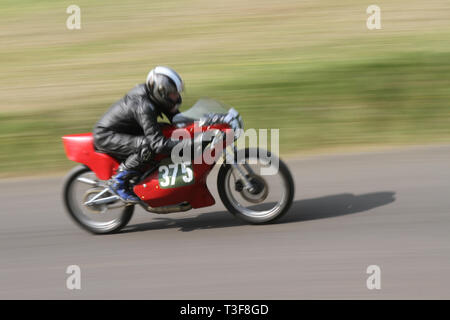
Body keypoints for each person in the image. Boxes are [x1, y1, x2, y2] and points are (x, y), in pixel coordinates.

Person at [93, 66, 191, 203]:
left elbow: (178, 120)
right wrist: (189, 144)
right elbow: (158, 145)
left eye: (176, 93)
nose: (176, 97)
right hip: (107, 135)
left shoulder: (157, 98)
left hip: (128, 131)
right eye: (172, 93)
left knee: (166, 129)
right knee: (148, 146)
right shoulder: (144, 106)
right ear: (160, 92)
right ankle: (118, 182)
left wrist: (204, 122)